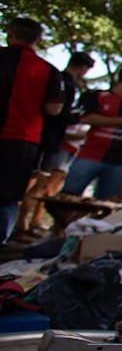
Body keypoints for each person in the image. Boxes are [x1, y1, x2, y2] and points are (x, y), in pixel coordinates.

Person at [0, 17, 64, 243]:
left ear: (11, 34)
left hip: (20, 137)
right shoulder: (48, 71)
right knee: (7, 198)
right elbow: (53, 108)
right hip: (22, 141)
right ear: (37, 40)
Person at [15, 52, 93, 235]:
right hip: (48, 139)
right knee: (36, 183)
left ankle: (26, 223)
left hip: (48, 139)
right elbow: (56, 113)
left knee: (40, 184)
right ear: (82, 68)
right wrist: (76, 117)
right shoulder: (64, 83)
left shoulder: (61, 81)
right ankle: (20, 224)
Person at [62, 64, 122, 200]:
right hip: (90, 155)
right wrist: (121, 121)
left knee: (108, 203)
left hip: (119, 162)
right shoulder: (98, 96)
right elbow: (86, 118)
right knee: (68, 196)